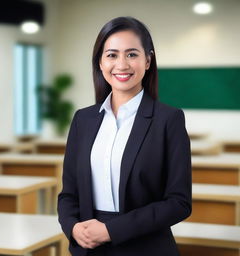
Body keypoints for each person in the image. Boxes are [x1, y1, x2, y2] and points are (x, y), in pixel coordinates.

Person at [57, 16, 192, 256]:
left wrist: (111, 230)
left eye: (131, 54)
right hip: (89, 249)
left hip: (145, 248)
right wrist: (73, 227)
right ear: (99, 62)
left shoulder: (168, 120)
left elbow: (178, 203)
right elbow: (69, 194)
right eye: (111, 55)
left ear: (148, 61)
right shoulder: (83, 120)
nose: (121, 64)